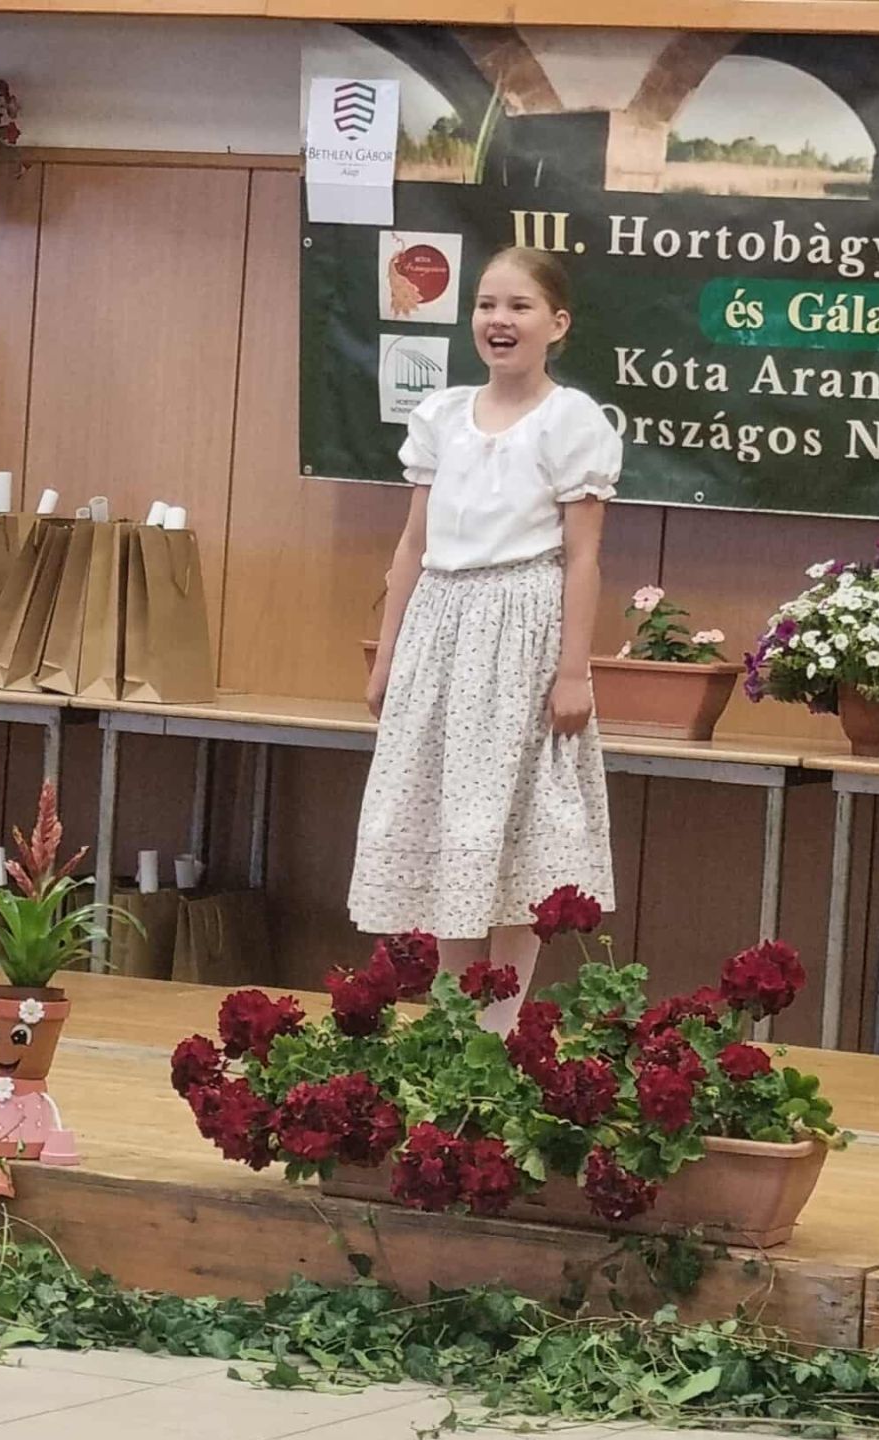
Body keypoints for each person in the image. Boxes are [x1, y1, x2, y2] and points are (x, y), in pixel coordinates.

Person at [349, 245, 622, 1033]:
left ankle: (496, 1035)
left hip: (521, 637)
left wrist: (573, 673)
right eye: (486, 305)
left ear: (557, 324)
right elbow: (412, 544)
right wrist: (389, 655)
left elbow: (584, 557)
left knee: (511, 836)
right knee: (451, 830)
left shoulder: (571, 421)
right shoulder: (441, 417)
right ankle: (452, 1029)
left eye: (519, 306)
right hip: (442, 632)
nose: (499, 320)